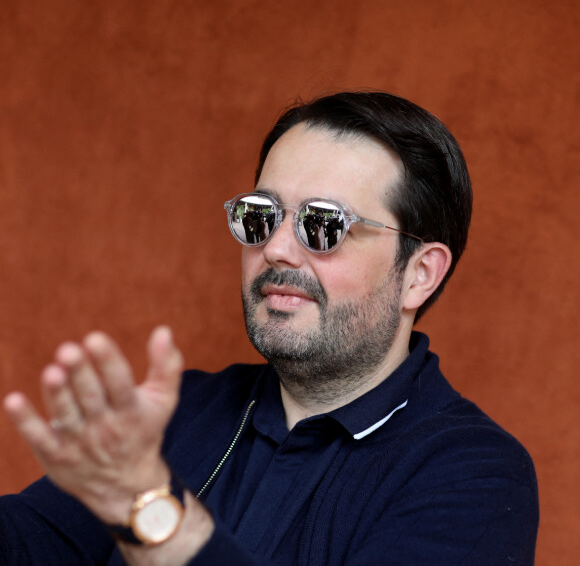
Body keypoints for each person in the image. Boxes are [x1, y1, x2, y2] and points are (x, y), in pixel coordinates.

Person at [1, 91, 539, 565]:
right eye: (261, 215)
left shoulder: (478, 476)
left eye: (322, 223)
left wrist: (151, 511)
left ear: (419, 274)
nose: (275, 248)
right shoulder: (180, 411)